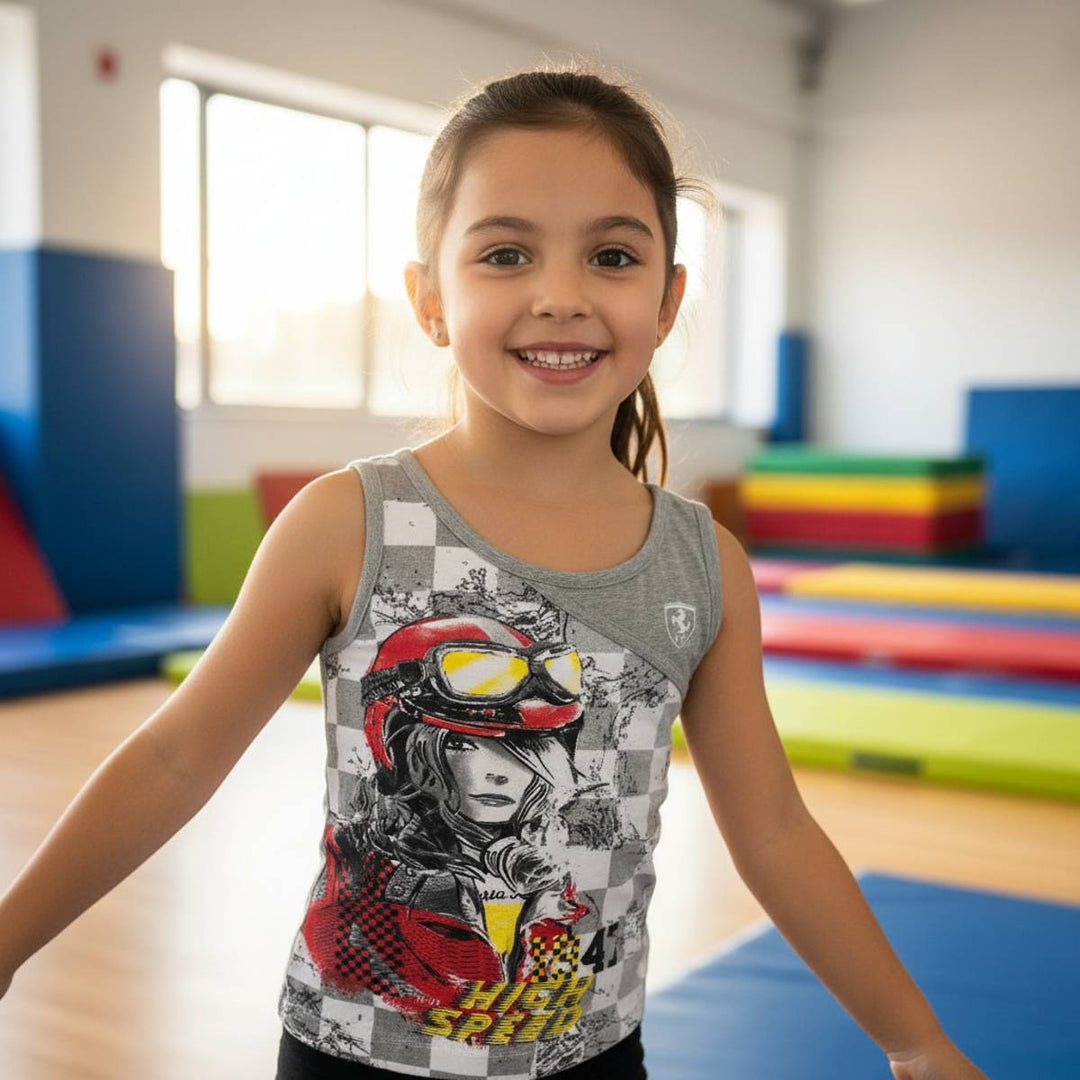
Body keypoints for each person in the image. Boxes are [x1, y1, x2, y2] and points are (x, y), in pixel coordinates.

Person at [0, 60, 989, 1080]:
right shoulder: (351, 524)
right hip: (355, 1058)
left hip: (594, 1058)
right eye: (506, 253)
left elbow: (774, 832)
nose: (561, 296)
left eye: (612, 255)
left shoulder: (701, 566)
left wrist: (914, 1041)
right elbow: (175, 759)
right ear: (430, 299)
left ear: (667, 300)